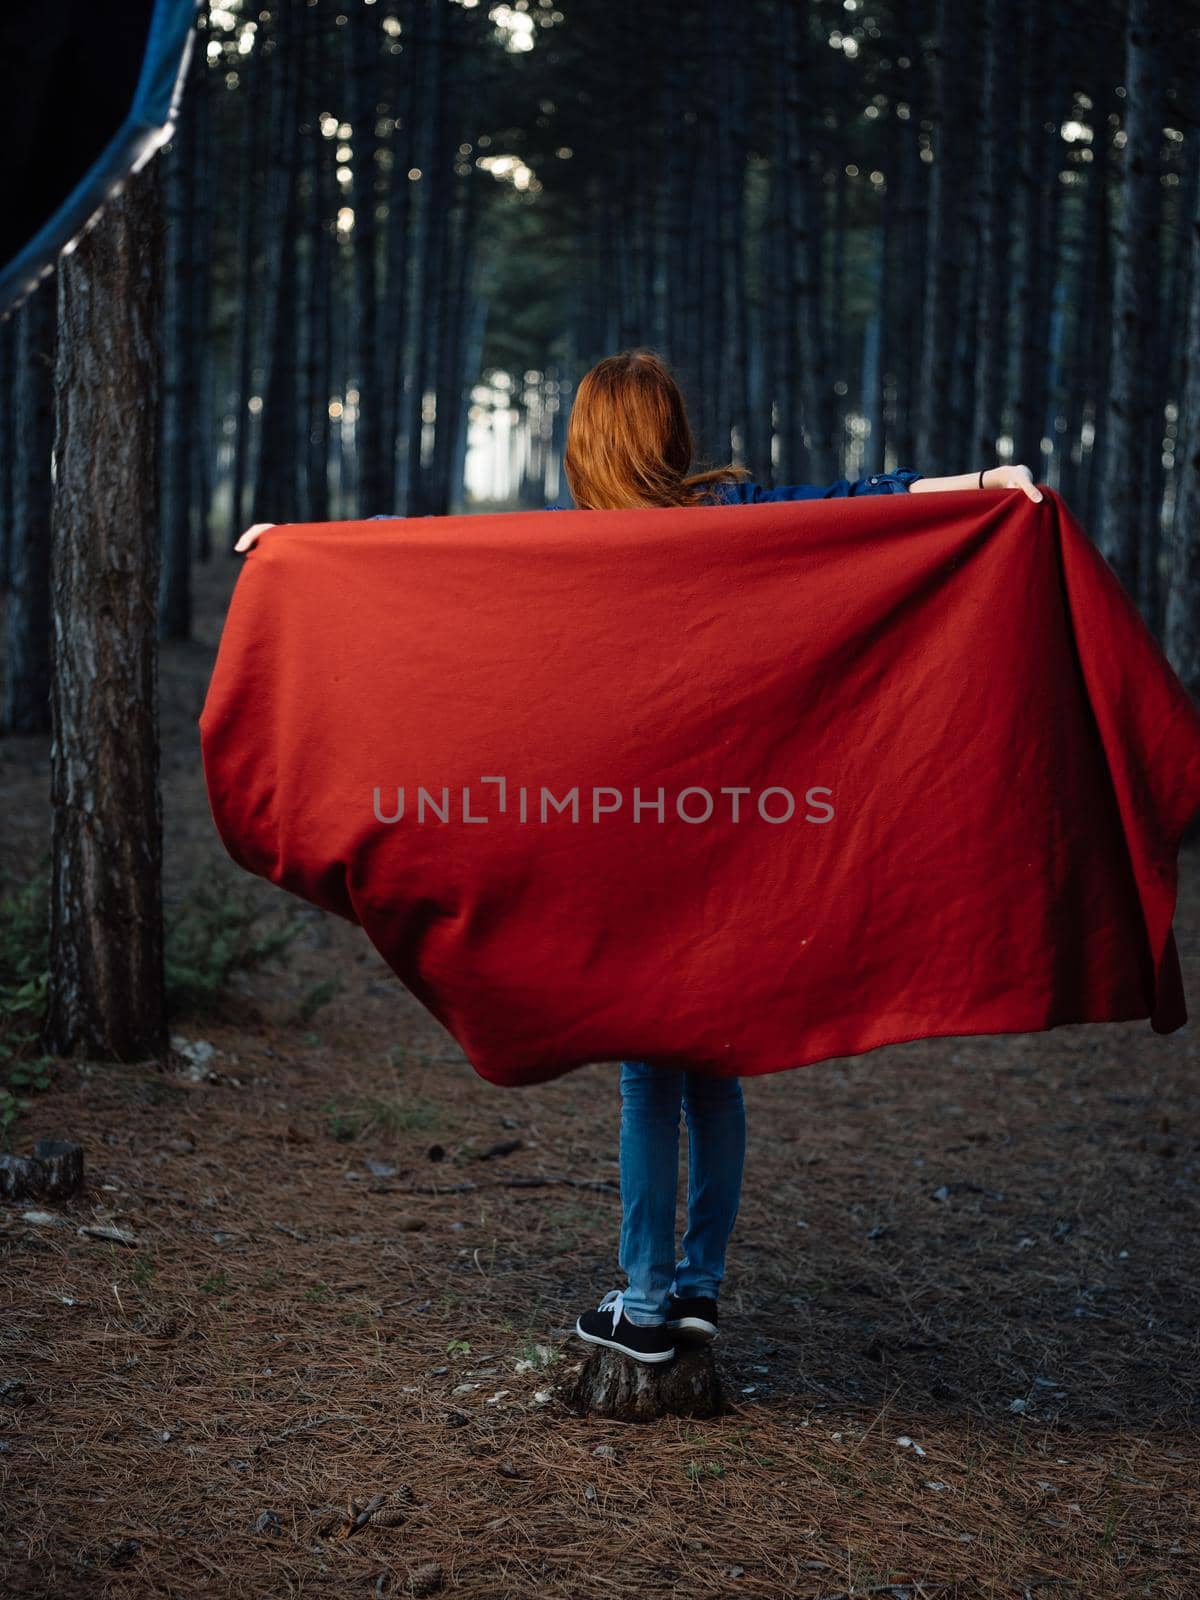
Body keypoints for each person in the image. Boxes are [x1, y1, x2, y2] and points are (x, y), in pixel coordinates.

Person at [233, 347, 1044, 1368]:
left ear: (586, 443)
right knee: (711, 1074)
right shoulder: (736, 519)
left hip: (634, 849)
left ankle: (651, 1301)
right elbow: (865, 501)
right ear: (670, 436)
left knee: (652, 1083)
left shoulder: (576, 548)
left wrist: (298, 552)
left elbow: (427, 555)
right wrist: (980, 485)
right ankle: (695, 1288)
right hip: (730, 850)